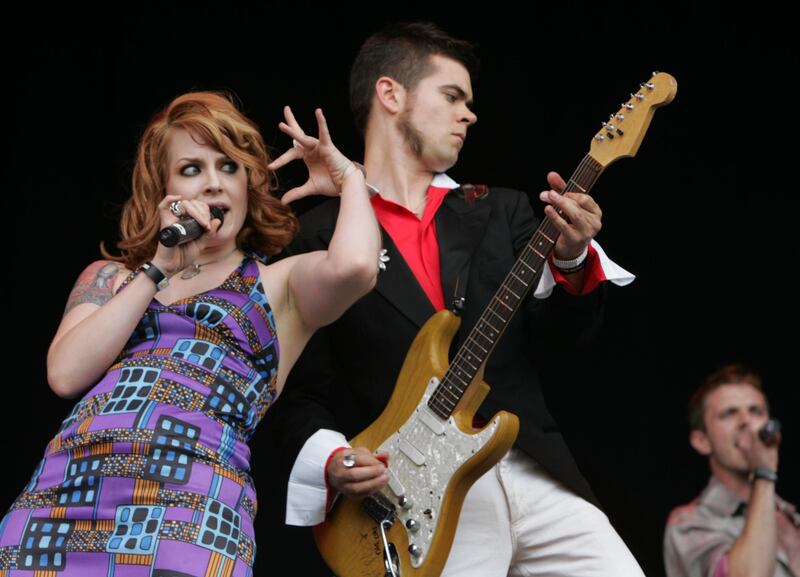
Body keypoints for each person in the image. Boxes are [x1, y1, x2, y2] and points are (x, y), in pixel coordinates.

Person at [265, 22, 644, 577]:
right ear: (391, 95)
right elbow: (298, 392)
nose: (469, 114)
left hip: (534, 472)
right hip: (417, 497)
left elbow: (567, 343)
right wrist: (333, 459)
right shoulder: (319, 238)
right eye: (452, 96)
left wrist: (571, 260)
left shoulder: (504, 211)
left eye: (470, 102)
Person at [0, 91, 380, 575]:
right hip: (62, 502)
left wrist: (349, 179)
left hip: (191, 510)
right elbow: (65, 374)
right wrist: (159, 266)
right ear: (163, 188)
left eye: (229, 167)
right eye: (192, 169)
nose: (213, 184)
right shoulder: (114, 277)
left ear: (249, 184)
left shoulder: (278, 283)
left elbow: (356, 267)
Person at [664, 364, 800, 577]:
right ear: (702, 441)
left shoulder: (790, 515)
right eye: (729, 413)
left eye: (756, 411)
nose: (746, 421)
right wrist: (763, 473)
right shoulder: (689, 524)